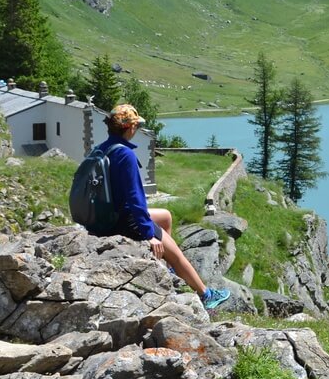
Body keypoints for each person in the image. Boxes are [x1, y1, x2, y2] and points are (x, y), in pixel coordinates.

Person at [93, 103, 231, 310]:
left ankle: (169, 270)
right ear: (130, 128)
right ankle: (206, 294)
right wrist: (148, 233)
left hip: (104, 214)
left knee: (165, 216)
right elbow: (135, 199)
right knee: (175, 252)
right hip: (123, 220)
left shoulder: (101, 149)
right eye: (137, 127)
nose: (137, 130)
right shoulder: (125, 155)